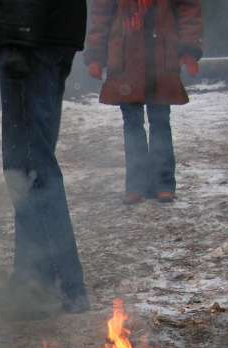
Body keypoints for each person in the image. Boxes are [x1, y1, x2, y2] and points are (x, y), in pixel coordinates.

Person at [0, 0, 90, 319]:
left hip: (30, 36)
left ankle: (62, 285)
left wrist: (15, 33)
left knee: (29, 168)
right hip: (48, 31)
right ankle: (34, 279)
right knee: (30, 163)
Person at [84, 0, 203, 205]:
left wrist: (189, 50)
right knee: (132, 125)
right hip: (125, 58)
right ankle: (136, 185)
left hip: (161, 57)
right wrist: (95, 56)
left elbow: (188, 8)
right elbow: (101, 15)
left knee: (160, 123)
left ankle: (163, 184)